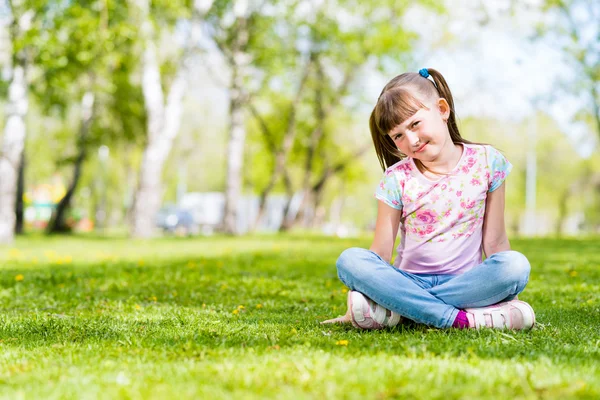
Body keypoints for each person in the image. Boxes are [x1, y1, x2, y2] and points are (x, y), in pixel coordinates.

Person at [322, 68, 535, 330]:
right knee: (350, 260)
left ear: (442, 110)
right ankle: (460, 319)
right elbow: (380, 254)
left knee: (515, 265)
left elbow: (496, 241)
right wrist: (371, 285)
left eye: (415, 124)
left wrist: (504, 291)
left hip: (466, 283)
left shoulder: (488, 162)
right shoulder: (396, 178)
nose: (411, 140)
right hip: (409, 281)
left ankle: (399, 310)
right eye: (398, 135)